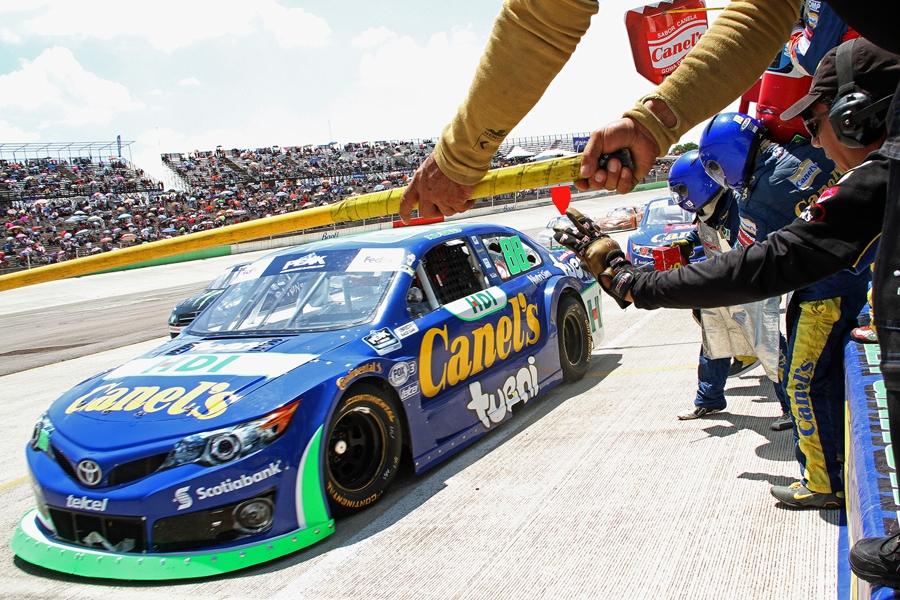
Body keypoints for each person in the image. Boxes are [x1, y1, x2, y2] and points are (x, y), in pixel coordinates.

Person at [666, 150, 788, 424]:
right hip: (722, 285)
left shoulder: (737, 205)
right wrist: (688, 243)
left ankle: (792, 407)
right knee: (714, 342)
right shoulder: (707, 207)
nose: (680, 196)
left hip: (749, 286)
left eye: (682, 190)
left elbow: (745, 246)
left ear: (699, 185)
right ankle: (709, 400)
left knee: (770, 347)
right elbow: (702, 230)